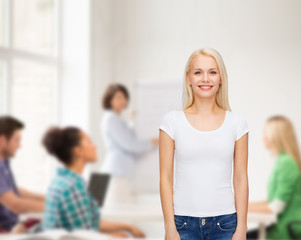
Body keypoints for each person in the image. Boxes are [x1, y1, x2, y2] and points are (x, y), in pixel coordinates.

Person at [159, 48, 250, 240]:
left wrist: (241, 228)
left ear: (221, 78)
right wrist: (169, 228)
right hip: (183, 224)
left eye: (212, 72)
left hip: (225, 225)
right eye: (198, 72)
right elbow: (165, 177)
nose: (205, 79)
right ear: (188, 78)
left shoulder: (237, 123)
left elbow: (241, 177)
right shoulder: (171, 122)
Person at [42, 126, 145, 238]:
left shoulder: (61, 180)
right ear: (78, 151)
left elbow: (91, 223)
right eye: (89, 142)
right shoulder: (73, 186)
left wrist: (127, 227)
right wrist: (115, 236)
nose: (94, 146)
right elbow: (84, 236)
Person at [101, 83, 159, 206]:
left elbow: (128, 138)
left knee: (120, 213)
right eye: (118, 97)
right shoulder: (111, 118)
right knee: (119, 215)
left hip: (119, 173)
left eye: (124, 97)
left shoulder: (117, 119)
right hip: (115, 173)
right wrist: (150, 143)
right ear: (109, 100)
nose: (123, 100)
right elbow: (129, 143)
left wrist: (133, 121)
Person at [247, 115, 301, 239]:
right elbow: (273, 201)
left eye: (265, 133)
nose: (263, 138)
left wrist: (240, 207)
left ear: (276, 136)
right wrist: (240, 205)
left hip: (287, 230)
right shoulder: (283, 161)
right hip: (282, 227)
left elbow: (276, 207)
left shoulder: (286, 163)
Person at [0, 116, 44, 232]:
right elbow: (15, 205)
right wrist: (55, 207)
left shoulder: (4, 162)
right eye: (17, 140)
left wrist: (46, 198)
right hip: (5, 229)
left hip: (13, 224)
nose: (19, 145)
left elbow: (12, 190)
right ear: (2, 140)